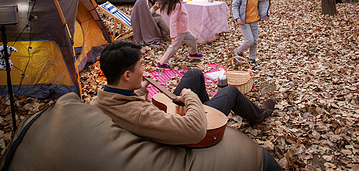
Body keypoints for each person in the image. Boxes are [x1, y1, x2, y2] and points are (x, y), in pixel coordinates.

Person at [90, 41, 282, 170]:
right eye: (140, 65)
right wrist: (191, 98)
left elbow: (128, 105)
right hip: (194, 127)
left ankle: (208, 106)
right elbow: (194, 130)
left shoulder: (101, 100)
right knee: (230, 92)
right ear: (126, 75)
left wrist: (139, 90)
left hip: (164, 117)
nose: (144, 70)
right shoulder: (140, 114)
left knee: (194, 74)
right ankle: (258, 115)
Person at [232, 0, 271, 69]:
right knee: (250, 40)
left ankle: (252, 59)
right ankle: (238, 51)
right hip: (243, 20)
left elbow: (263, 2)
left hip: (255, 19)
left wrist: (266, 13)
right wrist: (237, 18)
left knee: (255, 41)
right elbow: (235, 5)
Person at [157, 0, 202, 69]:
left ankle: (193, 53)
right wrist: (173, 34)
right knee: (174, 47)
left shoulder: (179, 3)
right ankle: (162, 63)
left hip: (184, 31)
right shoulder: (177, 5)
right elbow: (173, 20)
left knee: (193, 39)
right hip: (179, 32)